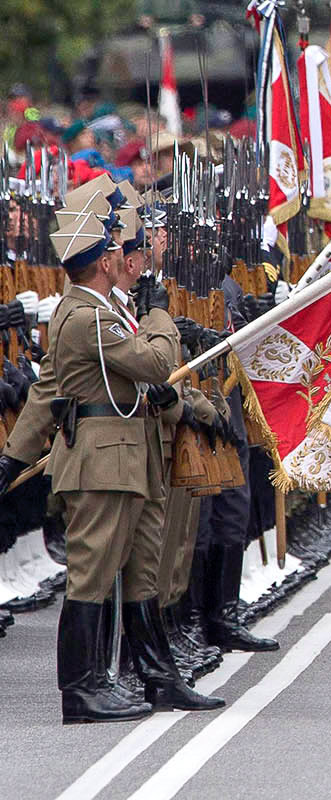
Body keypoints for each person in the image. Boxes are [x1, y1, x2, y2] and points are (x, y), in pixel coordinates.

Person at [0, 179, 224, 721]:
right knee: (93, 574)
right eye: (119, 248)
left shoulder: (101, 313)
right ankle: (80, 688)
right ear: (103, 262)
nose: (131, 257)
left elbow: (44, 392)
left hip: (129, 456)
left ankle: (155, 676)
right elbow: (151, 365)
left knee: (142, 572)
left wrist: (12, 457)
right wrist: (161, 317)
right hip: (102, 462)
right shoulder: (86, 316)